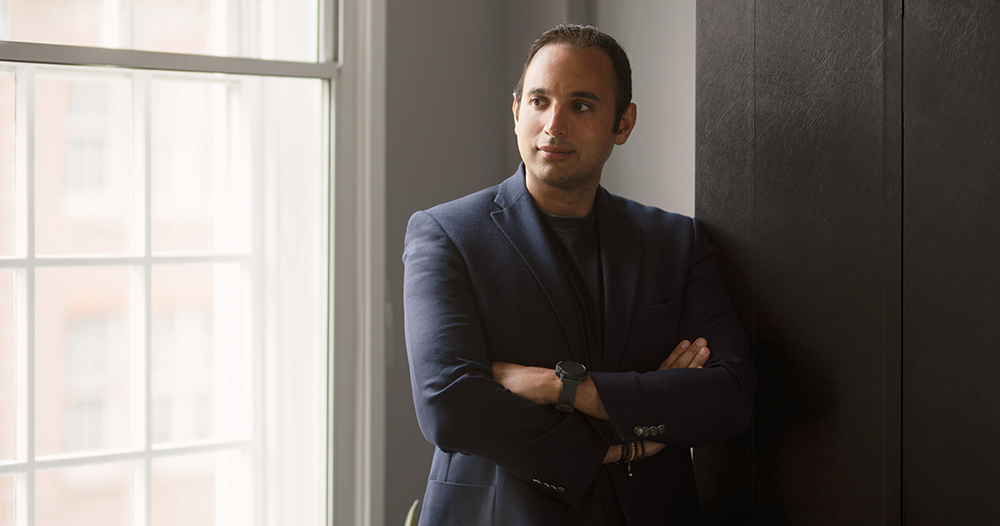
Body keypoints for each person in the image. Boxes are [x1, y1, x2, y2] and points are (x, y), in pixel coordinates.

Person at [403, 24, 756, 526]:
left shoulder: (677, 242)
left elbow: (730, 396)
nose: (554, 125)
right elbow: (449, 406)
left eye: (582, 105)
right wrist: (619, 442)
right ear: (516, 111)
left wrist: (562, 388)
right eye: (539, 101)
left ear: (623, 123)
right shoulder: (447, 234)